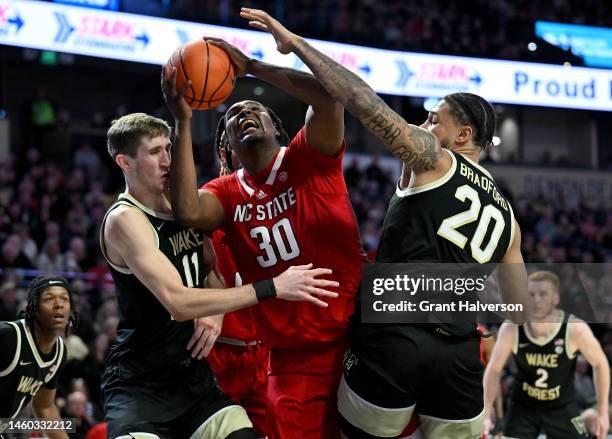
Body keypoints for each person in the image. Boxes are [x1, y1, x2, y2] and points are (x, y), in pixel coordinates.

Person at [236, 8, 529, 438]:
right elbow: (517, 307)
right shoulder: (509, 219)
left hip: (396, 337)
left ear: (462, 136)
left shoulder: (433, 157)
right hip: (459, 356)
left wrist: (295, 45)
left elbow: (358, 98)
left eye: (434, 120)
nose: (424, 124)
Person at [163, 34, 367, 438]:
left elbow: (330, 97)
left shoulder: (309, 158)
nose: (244, 114)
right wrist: (183, 120)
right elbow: (187, 210)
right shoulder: (224, 192)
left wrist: (252, 67)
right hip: (293, 359)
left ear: (277, 127)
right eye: (234, 114)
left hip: (359, 337)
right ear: (230, 148)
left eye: (254, 108)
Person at [100, 112, 339, 439]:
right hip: (140, 383)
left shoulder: (183, 209)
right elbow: (178, 303)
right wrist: (273, 286)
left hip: (192, 378)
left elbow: (211, 271)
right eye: (155, 152)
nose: (167, 160)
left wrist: (216, 312)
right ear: (125, 162)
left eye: (169, 149)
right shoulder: (124, 219)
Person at [483, 270, 610, 439]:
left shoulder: (574, 329)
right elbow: (493, 370)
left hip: (561, 406)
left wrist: (602, 412)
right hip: (523, 407)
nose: (536, 300)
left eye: (542, 294)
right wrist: (485, 411)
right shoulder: (512, 328)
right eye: (531, 294)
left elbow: (600, 364)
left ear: (555, 298)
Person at [206, 146, 269, 437]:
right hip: (216, 352)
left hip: (266, 354)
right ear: (225, 153)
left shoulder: (282, 204)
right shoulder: (201, 208)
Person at [0, 275, 77, 439]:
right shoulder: (8, 336)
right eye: (49, 299)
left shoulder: (59, 352)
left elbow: (44, 407)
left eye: (65, 299)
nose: (59, 305)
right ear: (33, 307)